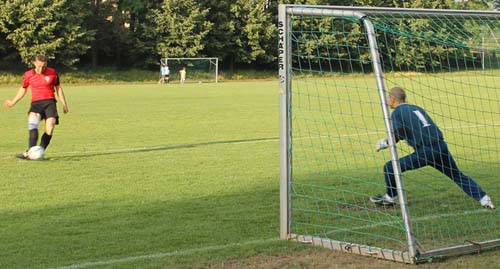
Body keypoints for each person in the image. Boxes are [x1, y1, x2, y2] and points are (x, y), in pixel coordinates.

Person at [371, 87, 495, 209]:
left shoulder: (397, 113)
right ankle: (484, 199)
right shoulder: (416, 108)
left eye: (388, 97)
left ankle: (390, 197)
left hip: (426, 151)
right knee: (457, 175)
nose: (388, 100)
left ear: (392, 99)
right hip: (441, 146)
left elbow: (398, 133)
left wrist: (385, 143)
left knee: (390, 167)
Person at [3, 54, 69, 159]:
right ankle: (30, 152)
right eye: (39, 66)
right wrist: (13, 102)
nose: (41, 69)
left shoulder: (53, 73)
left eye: (44, 66)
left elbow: (58, 88)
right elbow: (23, 89)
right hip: (36, 104)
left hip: (50, 103)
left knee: (50, 127)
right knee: (33, 124)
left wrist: (64, 104)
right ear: (34, 63)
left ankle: (39, 151)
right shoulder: (28, 74)